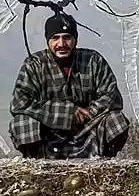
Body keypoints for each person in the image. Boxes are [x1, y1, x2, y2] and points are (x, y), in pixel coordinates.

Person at [9, 12, 131, 159]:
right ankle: (38, 162)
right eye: (55, 38)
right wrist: (67, 113)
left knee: (116, 119)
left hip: (89, 131)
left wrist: (88, 112)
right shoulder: (34, 65)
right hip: (49, 134)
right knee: (21, 123)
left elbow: (112, 96)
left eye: (67, 37)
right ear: (48, 41)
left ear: (76, 39)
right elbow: (19, 104)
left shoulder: (93, 60)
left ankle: (103, 160)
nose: (61, 44)